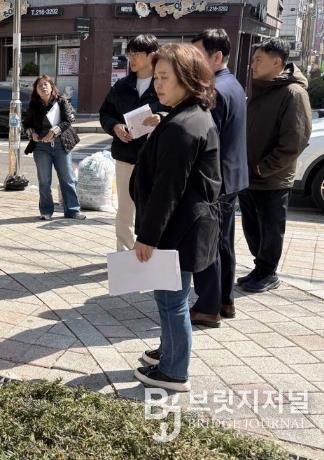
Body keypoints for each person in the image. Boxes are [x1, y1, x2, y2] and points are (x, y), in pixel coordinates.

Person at [131, 43, 221, 392]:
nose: (158, 84)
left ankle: (173, 371)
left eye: (165, 77)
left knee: (172, 302)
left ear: (188, 78)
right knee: (171, 299)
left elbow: (168, 189)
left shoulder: (183, 126)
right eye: (156, 77)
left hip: (176, 230)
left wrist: (148, 237)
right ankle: (169, 351)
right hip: (182, 227)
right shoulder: (189, 115)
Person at [238, 38, 312, 293]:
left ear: (277, 62)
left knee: (270, 229)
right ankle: (259, 269)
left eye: (258, 60)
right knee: (252, 228)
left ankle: (268, 273)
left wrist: (263, 168)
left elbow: (295, 140)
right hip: (249, 174)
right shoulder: (261, 89)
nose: (253, 65)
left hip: (272, 178)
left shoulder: (293, 94)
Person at [189, 29, 248, 327]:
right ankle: (225, 300)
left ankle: (209, 306)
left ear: (217, 57)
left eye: (198, 55)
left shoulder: (215, 91)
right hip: (231, 176)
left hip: (215, 180)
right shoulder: (233, 84)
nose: (193, 62)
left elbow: (205, 140)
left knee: (209, 243)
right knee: (224, 241)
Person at [99, 34, 163, 251]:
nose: (131, 59)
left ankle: (151, 252)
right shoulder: (122, 85)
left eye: (136, 54)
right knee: (125, 209)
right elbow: (106, 113)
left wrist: (161, 117)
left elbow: (177, 110)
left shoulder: (164, 82)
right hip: (126, 155)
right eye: (129, 54)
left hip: (155, 157)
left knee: (153, 208)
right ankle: (124, 255)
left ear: (152, 55)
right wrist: (115, 126)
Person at [23, 75, 85, 221]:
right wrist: (32, 133)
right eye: (39, 86)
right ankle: (46, 211)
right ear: (36, 90)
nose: (43, 87)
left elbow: (68, 120)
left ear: (51, 87)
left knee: (67, 178)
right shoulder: (34, 105)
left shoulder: (61, 101)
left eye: (46, 84)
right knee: (44, 181)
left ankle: (72, 210)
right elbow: (26, 124)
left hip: (61, 145)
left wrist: (55, 130)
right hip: (41, 147)